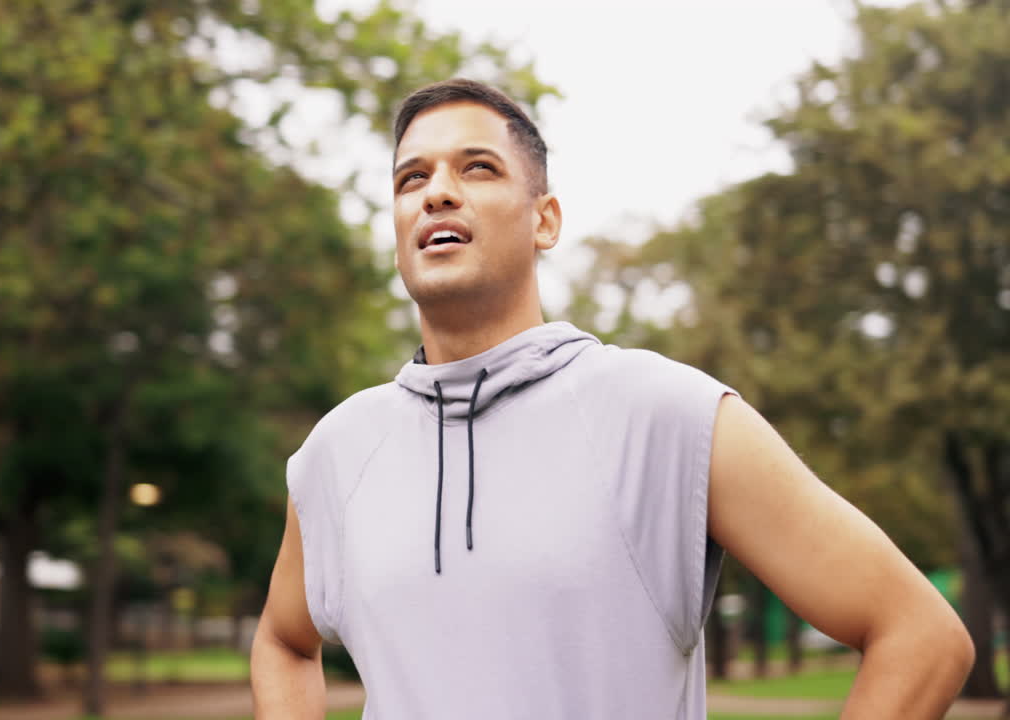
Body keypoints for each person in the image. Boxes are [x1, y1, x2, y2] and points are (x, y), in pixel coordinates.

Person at [249, 78, 973, 719]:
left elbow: (921, 636)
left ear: (545, 221)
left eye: (477, 168)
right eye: (411, 178)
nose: (436, 190)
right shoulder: (336, 454)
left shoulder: (668, 414)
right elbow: (284, 642)